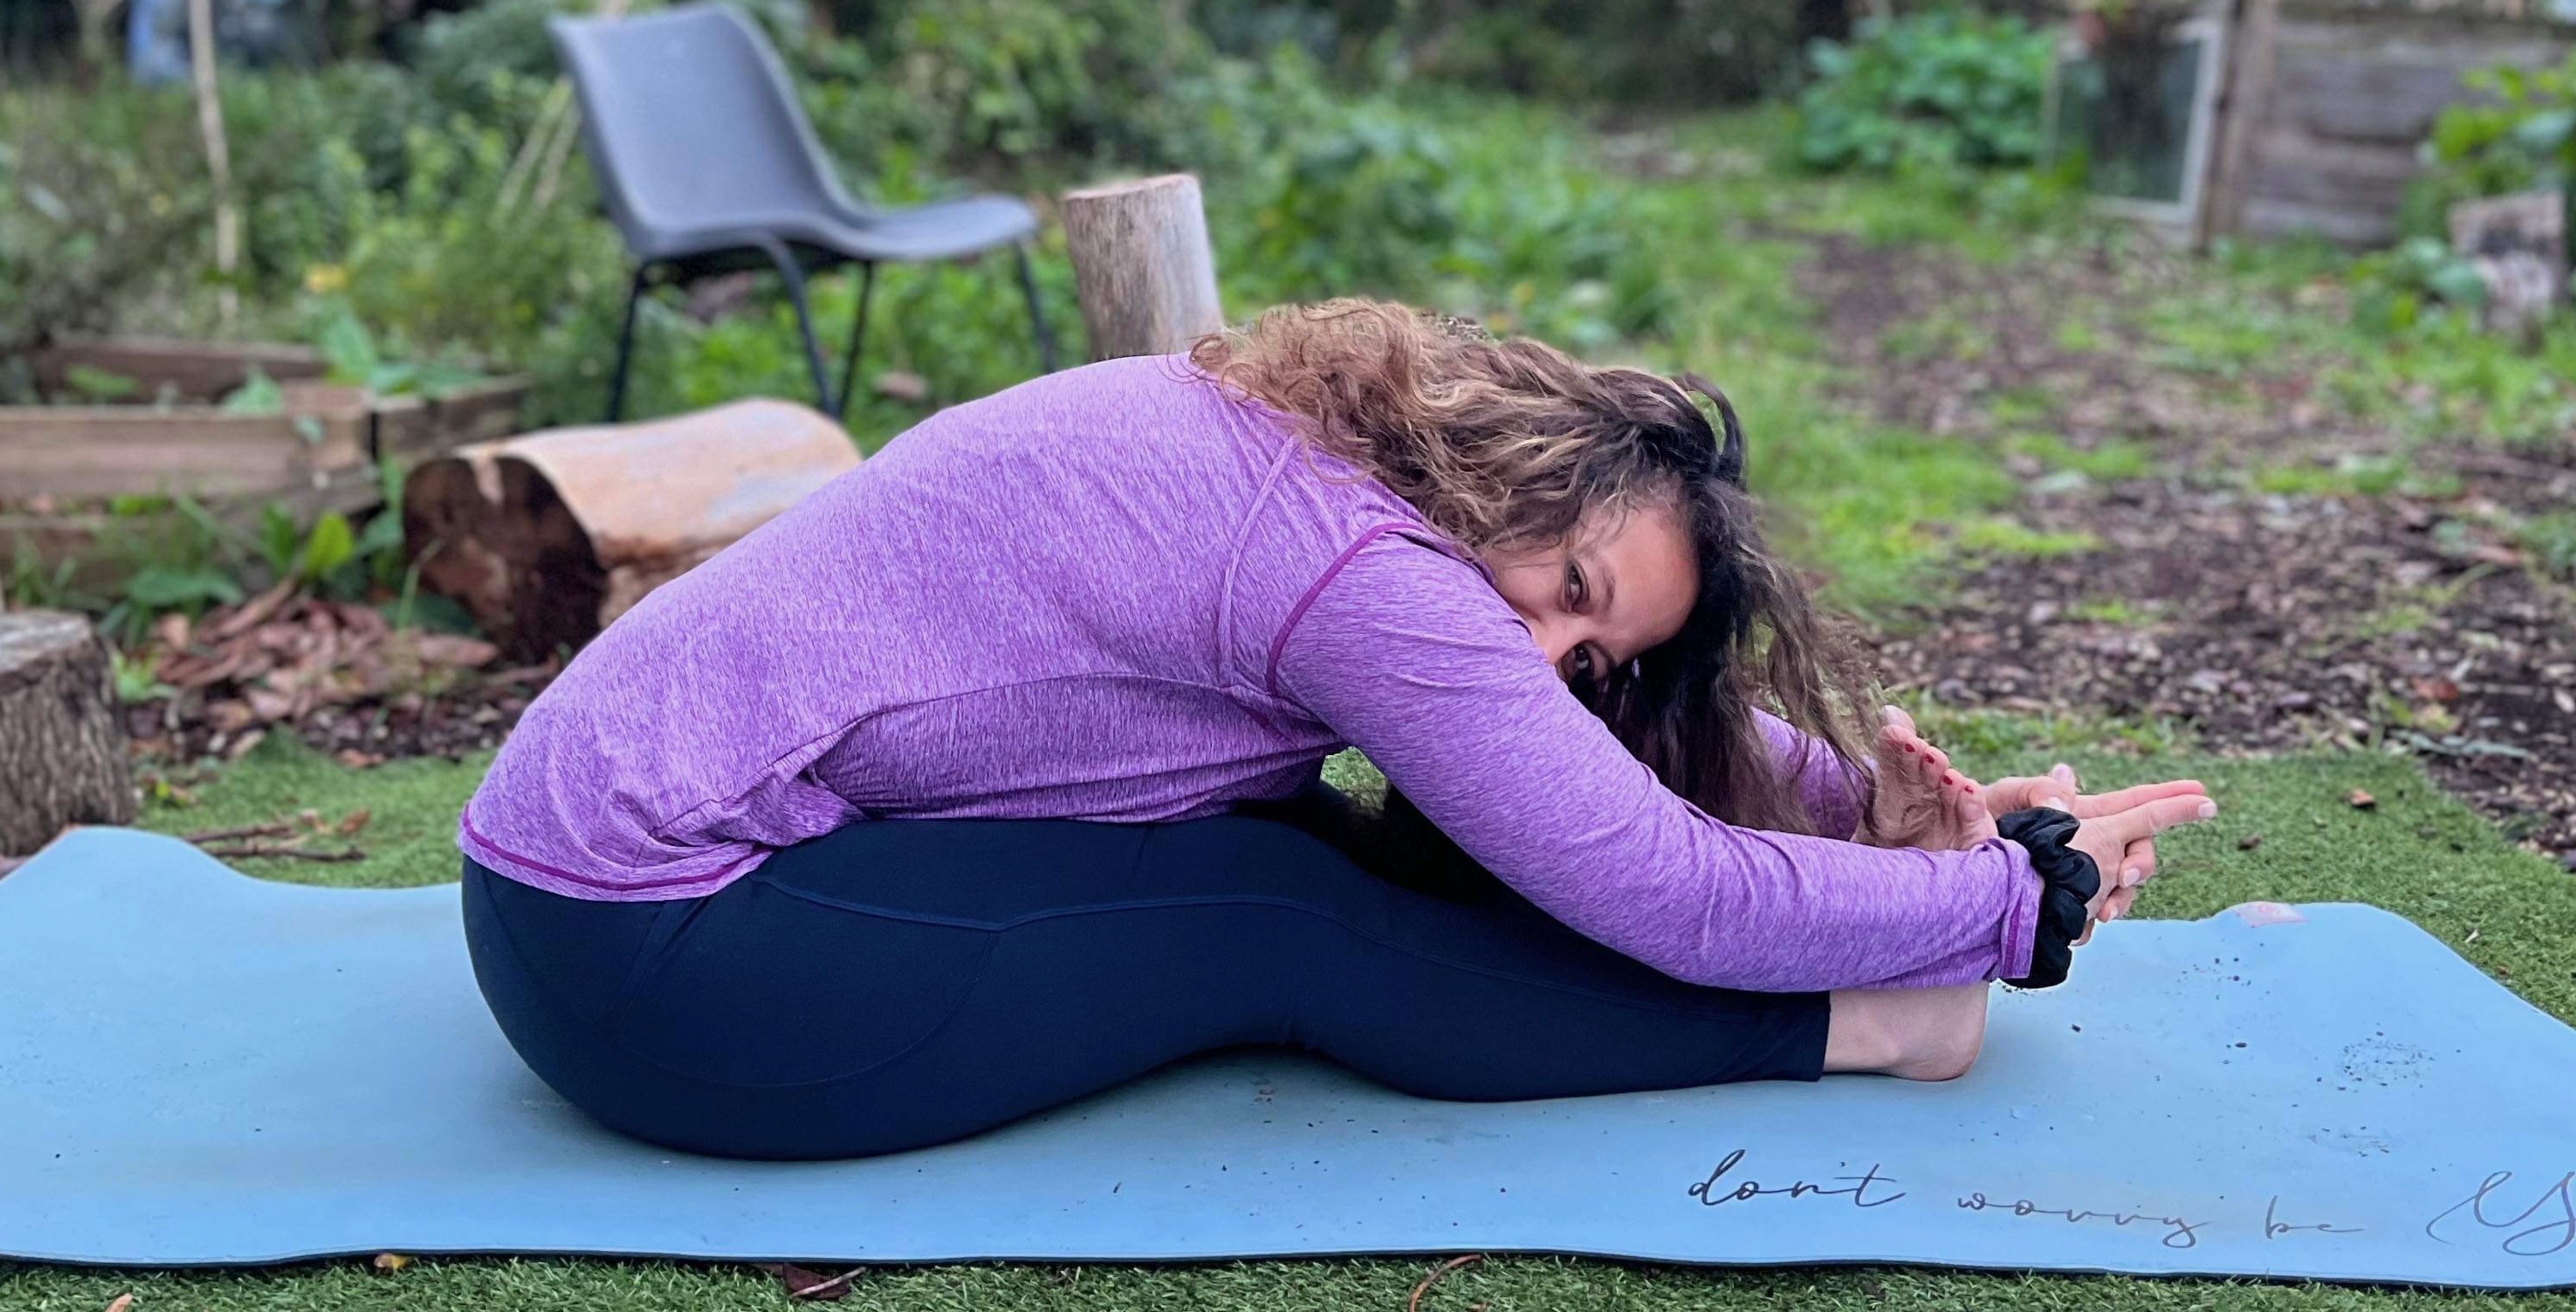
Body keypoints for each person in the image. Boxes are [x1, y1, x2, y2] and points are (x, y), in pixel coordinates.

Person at [458, 300, 2214, 1160]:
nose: (1552, 651)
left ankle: (1888, 984)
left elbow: (1610, 763)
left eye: (1597, 649)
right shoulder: (1363, 577)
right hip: (647, 947)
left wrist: (1889, 810)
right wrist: (1996, 913)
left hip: (618, 884)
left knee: (1299, 844)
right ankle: (1877, 1032)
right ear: (1530, 469)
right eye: (1575, 582)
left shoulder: (1328, 445)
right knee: (1291, 915)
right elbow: (1653, 876)